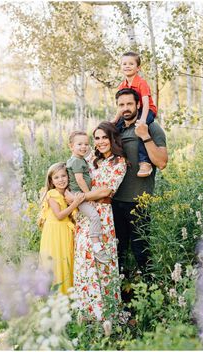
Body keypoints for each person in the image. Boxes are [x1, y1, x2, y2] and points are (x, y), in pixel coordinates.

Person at [65, 122, 127, 321]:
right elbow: (73, 176)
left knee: (102, 262)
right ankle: (87, 313)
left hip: (102, 215)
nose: (100, 142)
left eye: (104, 137)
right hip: (84, 215)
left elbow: (106, 191)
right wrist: (66, 195)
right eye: (97, 138)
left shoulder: (119, 162)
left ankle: (107, 313)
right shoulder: (91, 158)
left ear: (112, 139)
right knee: (84, 258)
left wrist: (80, 198)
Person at [112, 88, 168, 282]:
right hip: (112, 201)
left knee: (141, 251)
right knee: (117, 252)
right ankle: (120, 297)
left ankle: (151, 293)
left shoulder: (151, 128)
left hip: (138, 201)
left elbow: (161, 162)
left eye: (129, 104)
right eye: (121, 105)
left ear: (138, 105)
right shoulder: (116, 129)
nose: (125, 108)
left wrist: (144, 136)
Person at [38, 162, 85, 294]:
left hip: (65, 231)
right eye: (56, 177)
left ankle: (68, 295)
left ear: (69, 177)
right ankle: (56, 296)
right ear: (51, 181)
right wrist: (75, 203)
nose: (61, 180)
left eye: (63, 176)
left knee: (66, 261)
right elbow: (59, 215)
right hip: (54, 233)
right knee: (56, 262)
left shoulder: (68, 194)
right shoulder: (52, 194)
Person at [67, 131, 110, 264]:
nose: (83, 147)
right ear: (71, 146)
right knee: (94, 216)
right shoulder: (77, 161)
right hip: (79, 195)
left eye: (86, 144)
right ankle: (96, 246)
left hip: (79, 195)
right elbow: (79, 180)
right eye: (79, 144)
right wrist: (89, 196)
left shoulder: (78, 159)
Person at [112, 51, 157, 177]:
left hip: (147, 110)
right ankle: (115, 159)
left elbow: (146, 103)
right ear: (121, 67)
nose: (127, 66)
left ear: (138, 68)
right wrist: (115, 120)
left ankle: (144, 162)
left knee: (141, 130)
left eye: (131, 64)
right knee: (115, 128)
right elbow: (121, 105)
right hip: (131, 111)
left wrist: (142, 120)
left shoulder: (141, 83)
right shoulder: (122, 85)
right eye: (124, 63)